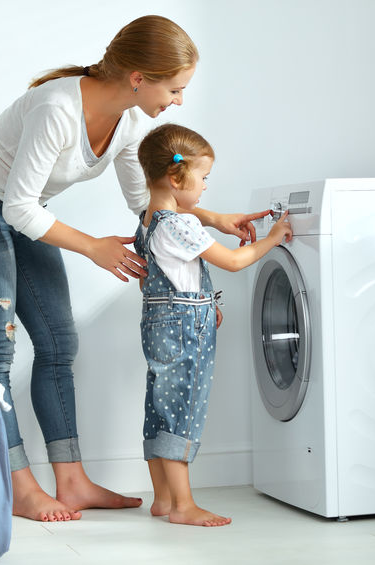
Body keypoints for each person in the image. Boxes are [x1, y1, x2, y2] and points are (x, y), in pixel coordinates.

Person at [0, 15, 268, 523]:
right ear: (139, 78)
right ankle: (18, 484)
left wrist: (212, 217)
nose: (179, 101)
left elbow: (148, 202)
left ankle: (70, 482)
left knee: (57, 344)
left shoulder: (132, 121)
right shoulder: (57, 107)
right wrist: (93, 246)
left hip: (24, 210)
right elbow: (18, 207)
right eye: (175, 89)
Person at [134, 123, 293, 527]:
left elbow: (167, 274)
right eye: (203, 177)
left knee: (160, 405)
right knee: (183, 407)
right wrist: (274, 238)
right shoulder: (179, 224)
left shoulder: (148, 218)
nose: (205, 187)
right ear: (175, 176)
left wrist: (203, 302)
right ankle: (184, 506)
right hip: (185, 323)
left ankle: (163, 500)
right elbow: (235, 261)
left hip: (161, 317)